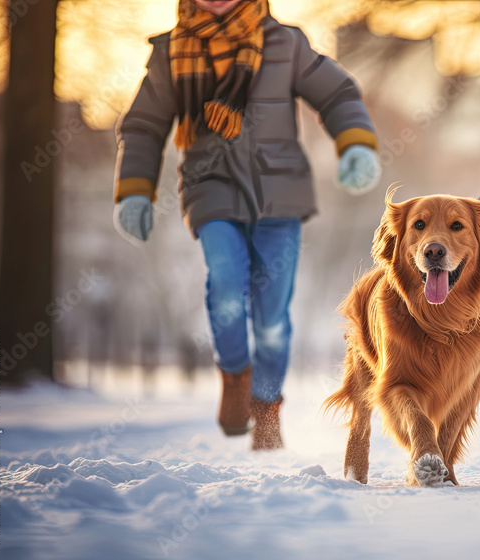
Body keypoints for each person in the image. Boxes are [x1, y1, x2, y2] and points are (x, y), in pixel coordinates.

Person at [112, 0, 381, 450]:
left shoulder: (286, 43)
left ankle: (267, 406)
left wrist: (355, 143)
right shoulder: (170, 52)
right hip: (209, 189)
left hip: (281, 195)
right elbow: (143, 126)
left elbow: (336, 93)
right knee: (226, 286)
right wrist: (134, 189)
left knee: (273, 316)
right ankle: (236, 375)